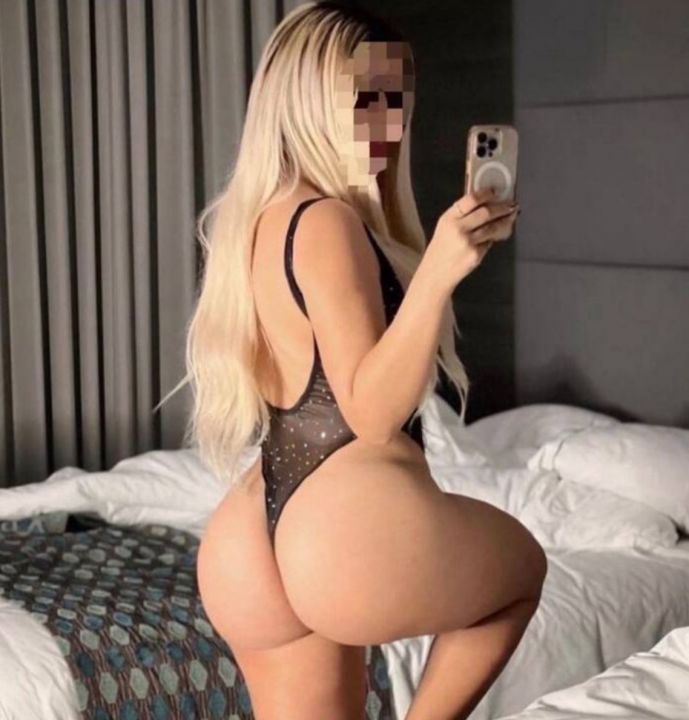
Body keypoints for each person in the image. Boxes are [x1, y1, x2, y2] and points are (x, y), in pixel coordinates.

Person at [190, 2, 546, 718]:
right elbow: (371, 414)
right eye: (364, 100)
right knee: (521, 569)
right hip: (341, 528)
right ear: (305, 100)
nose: (387, 124)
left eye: (397, 100)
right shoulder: (326, 221)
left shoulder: (264, 216)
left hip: (252, 530)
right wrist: (439, 270)